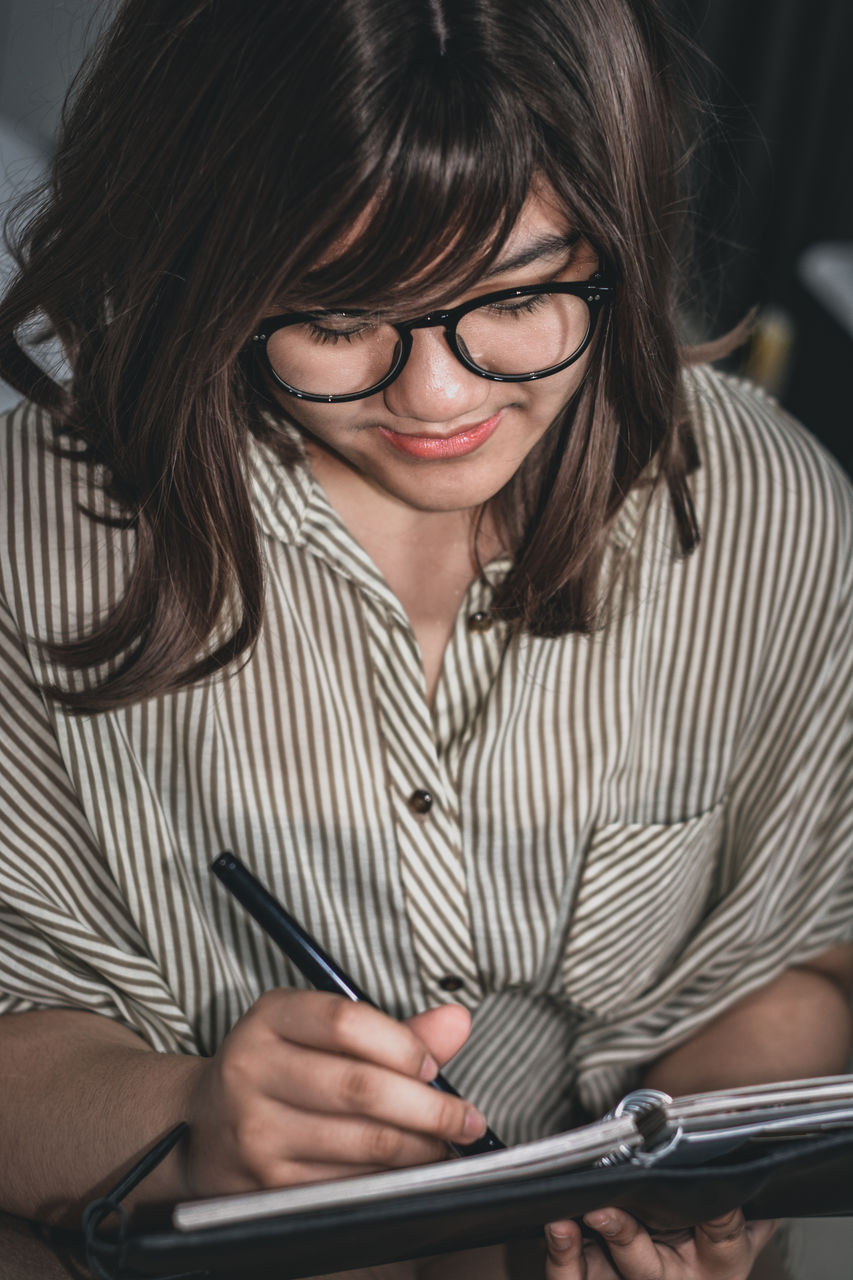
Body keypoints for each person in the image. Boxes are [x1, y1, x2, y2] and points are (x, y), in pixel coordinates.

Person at [0, 1, 850, 1277]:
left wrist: (700, 1194)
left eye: (515, 295)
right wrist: (187, 1118)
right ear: (200, 263)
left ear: (616, 233)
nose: (438, 397)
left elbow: (798, 971)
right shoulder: (33, 534)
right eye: (336, 321)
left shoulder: (761, 509)